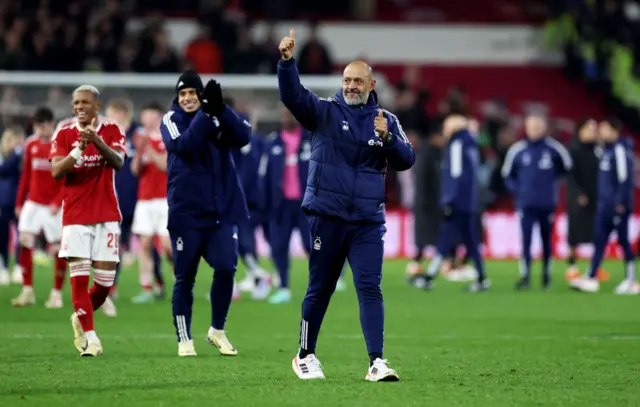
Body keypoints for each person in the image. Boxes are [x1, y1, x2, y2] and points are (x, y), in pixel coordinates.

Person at [278, 29, 415, 381]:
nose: (351, 85)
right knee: (320, 288)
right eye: (347, 80)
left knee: (370, 287)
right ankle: (304, 355)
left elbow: (407, 159)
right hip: (328, 215)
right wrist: (287, 63)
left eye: (358, 81)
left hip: (368, 220)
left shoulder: (386, 121)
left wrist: (387, 140)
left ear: (371, 85)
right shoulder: (323, 112)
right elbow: (293, 96)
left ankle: (377, 361)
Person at [161, 70, 251, 357]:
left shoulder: (216, 114)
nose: (187, 98)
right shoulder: (171, 120)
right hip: (186, 214)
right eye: (183, 94)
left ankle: (217, 330)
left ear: (201, 95)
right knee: (185, 277)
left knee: (226, 267)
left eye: (192, 93)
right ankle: (184, 338)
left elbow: (244, 135)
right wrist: (207, 115)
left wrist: (221, 109)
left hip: (221, 212)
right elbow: (184, 145)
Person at [50, 84, 126, 357]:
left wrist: (97, 141)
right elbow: (57, 171)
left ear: (97, 105)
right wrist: (78, 149)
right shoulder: (64, 133)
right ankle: (91, 339)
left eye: (85, 102)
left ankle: (81, 317)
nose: (79, 107)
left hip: (106, 214)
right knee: (80, 280)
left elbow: (118, 162)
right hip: (75, 216)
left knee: (104, 285)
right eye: (76, 103)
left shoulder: (113, 130)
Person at [408, 115, 489, 292]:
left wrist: (449, 200)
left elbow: (456, 174)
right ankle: (482, 279)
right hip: (469, 201)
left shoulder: (457, 145)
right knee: (471, 241)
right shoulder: (471, 144)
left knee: (445, 239)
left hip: (458, 202)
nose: (444, 130)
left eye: (446, 126)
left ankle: (429, 276)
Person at [501, 114, 572, 289]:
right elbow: (507, 175)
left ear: (543, 129)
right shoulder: (517, 150)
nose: (533, 131)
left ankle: (546, 276)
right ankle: (525, 276)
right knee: (526, 240)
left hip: (547, 203)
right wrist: (518, 191)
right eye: (530, 127)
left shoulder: (554, 149)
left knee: (547, 240)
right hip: (526, 204)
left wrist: (551, 186)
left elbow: (567, 168)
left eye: (536, 127)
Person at [570, 118, 638, 294]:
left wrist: (621, 202)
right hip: (604, 206)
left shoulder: (620, 151)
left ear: (614, 131)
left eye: (604, 129)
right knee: (599, 241)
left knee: (623, 241)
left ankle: (631, 280)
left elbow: (624, 179)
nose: (600, 132)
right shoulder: (605, 152)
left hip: (617, 207)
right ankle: (592, 278)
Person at [11, 107, 67, 308]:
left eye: (47, 125)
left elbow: (66, 178)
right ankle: (27, 291)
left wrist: (58, 201)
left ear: (53, 125)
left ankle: (56, 294)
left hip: (54, 206)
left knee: (57, 249)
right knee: (25, 239)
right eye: (40, 126)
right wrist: (19, 202)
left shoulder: (60, 145)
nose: (44, 130)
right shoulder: (30, 145)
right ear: (35, 126)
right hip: (33, 203)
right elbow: (26, 175)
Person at [130, 102, 173, 304]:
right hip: (145, 199)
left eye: (148, 116)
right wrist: (139, 153)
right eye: (143, 116)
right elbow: (135, 171)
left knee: (167, 246)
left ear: (158, 117)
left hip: (165, 198)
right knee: (145, 244)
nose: (144, 119)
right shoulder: (140, 139)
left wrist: (148, 147)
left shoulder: (168, 137)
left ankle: (179, 280)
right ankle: (147, 287)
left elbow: (164, 165)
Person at [565, 118, 607, 281]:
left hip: (597, 197)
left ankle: (595, 267)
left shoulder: (599, 149)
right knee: (575, 235)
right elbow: (569, 175)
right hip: (578, 198)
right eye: (589, 128)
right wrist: (577, 194)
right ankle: (571, 267)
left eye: (594, 128)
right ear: (580, 130)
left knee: (598, 234)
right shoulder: (573, 149)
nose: (593, 132)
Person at [0, 126, 24, 285]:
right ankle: (3, 268)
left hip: (18, 201)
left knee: (21, 234)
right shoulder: (6, 156)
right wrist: (16, 155)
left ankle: (18, 267)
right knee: (2, 235)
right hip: (3, 200)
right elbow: (2, 170)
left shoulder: (21, 157)